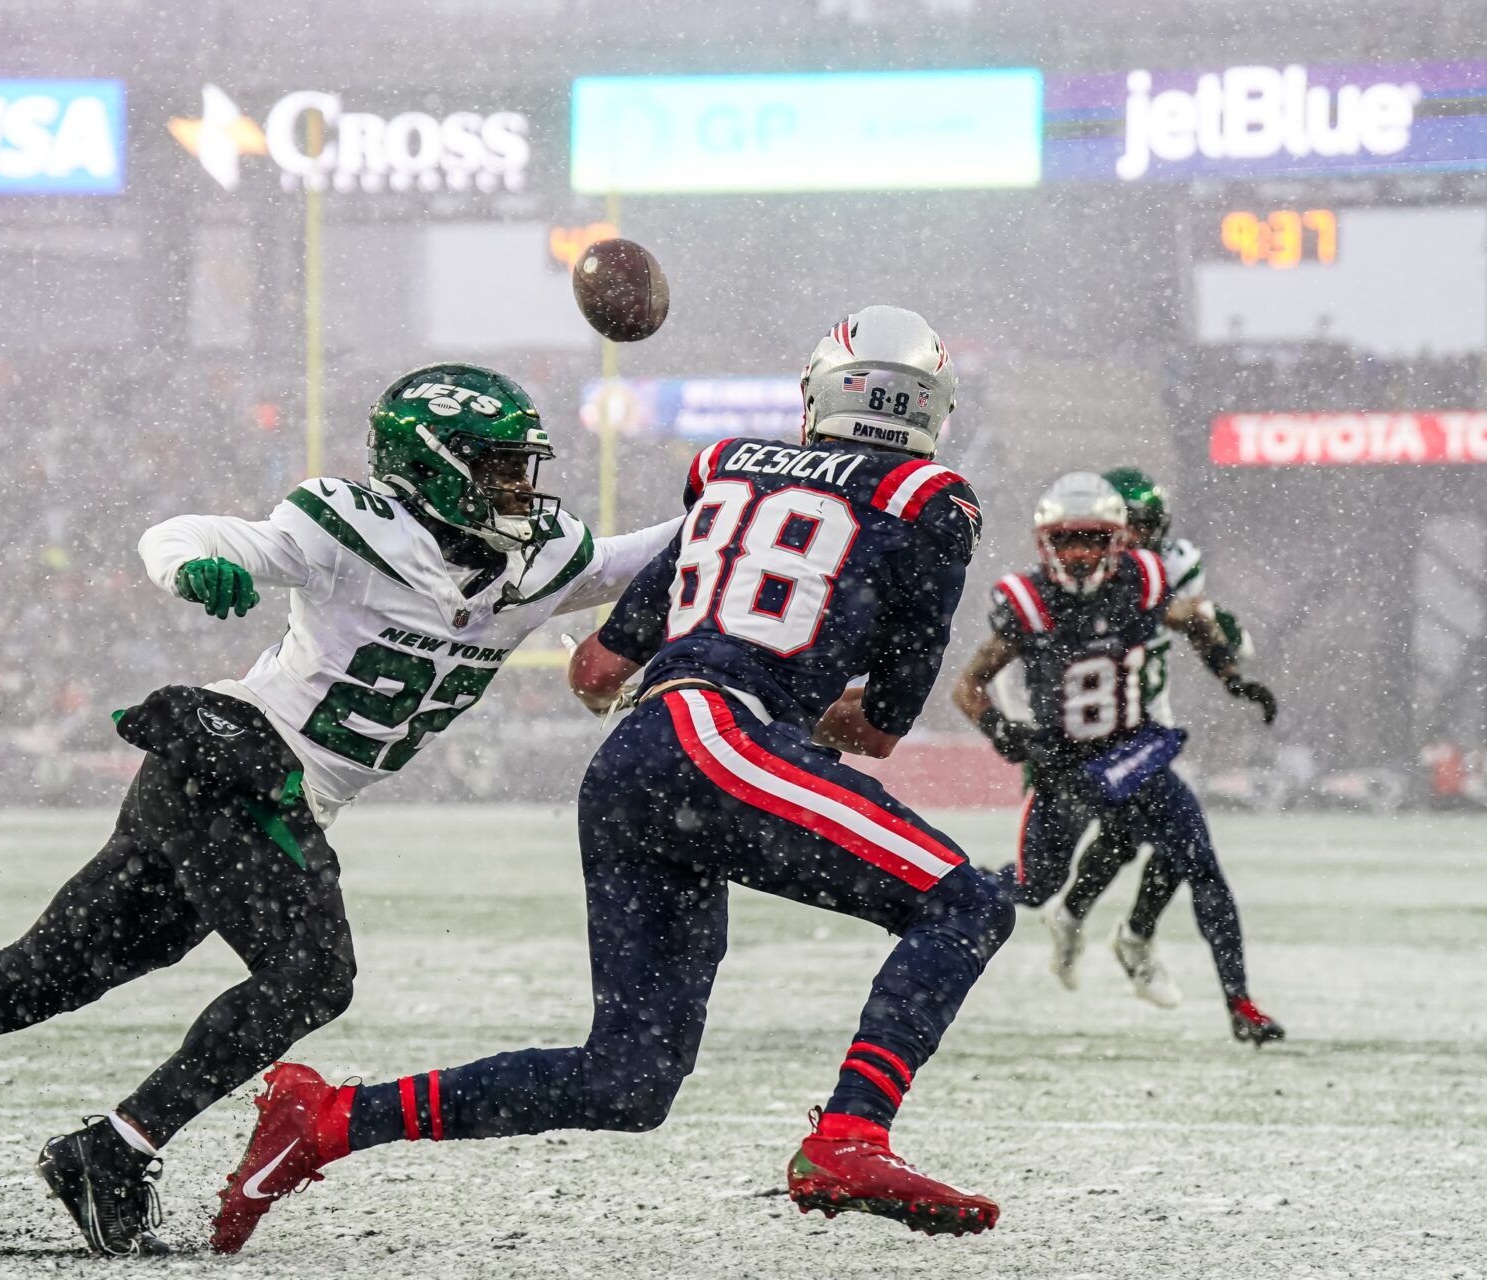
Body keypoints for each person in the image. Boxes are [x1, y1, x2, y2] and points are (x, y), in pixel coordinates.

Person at [0, 364, 679, 1256]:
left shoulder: (538, 561)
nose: (524, 489)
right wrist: (198, 569)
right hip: (234, 766)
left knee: (29, 980)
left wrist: (757, 488)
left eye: (523, 468)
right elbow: (188, 533)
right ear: (435, 468)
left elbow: (635, 558)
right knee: (312, 973)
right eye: (503, 469)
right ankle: (112, 1150)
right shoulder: (350, 530)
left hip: (244, 796)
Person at [208, 306, 1012, 1254]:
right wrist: (801, 703)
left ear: (819, 391)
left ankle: (329, 1118)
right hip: (723, 739)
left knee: (627, 1080)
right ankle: (850, 1136)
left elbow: (594, 671)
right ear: (929, 409)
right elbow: (879, 725)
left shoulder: (726, 473)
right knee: (964, 903)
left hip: (638, 763)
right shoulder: (931, 499)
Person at [950, 472, 1285, 1045]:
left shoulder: (1145, 581)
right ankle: (949, 886)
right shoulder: (1028, 601)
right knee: (1034, 886)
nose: (1080, 555)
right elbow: (969, 686)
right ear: (1044, 545)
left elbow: (1196, 621)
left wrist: (1231, 677)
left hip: (1134, 752)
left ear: (1119, 541)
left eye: (1092, 540)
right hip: (1062, 764)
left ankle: (1241, 1003)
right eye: (1067, 542)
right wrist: (1003, 730)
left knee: (1199, 863)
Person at [1041, 467, 1257, 1003]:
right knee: (1131, 838)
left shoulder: (1167, 568)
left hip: (1148, 726)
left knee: (1155, 842)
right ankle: (1115, 931)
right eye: (1127, 525)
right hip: (1092, 729)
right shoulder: (1088, 577)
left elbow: (1216, 628)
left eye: (1146, 525)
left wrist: (1224, 635)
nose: (1137, 537)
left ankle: (1104, 927)